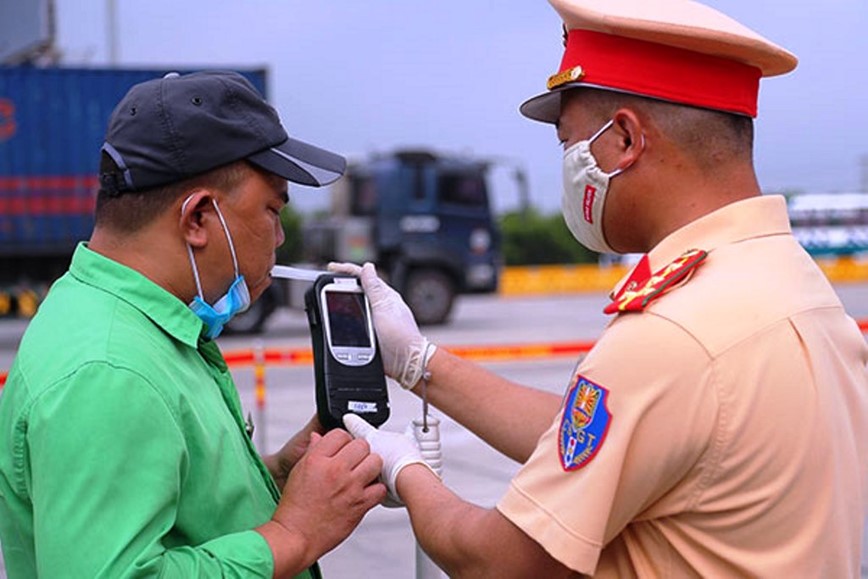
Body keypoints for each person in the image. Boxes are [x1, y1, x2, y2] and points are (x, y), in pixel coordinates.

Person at [335, 0, 868, 576]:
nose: (566, 162)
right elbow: (600, 434)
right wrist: (419, 362)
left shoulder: (675, 332)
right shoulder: (788, 278)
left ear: (623, 141)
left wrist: (405, 470)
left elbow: (498, 562)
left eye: (568, 142)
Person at [0, 71, 386, 578]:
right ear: (199, 217)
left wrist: (276, 476)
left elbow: (166, 507)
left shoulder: (134, 324)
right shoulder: (110, 371)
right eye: (271, 210)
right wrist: (293, 533)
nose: (279, 239)